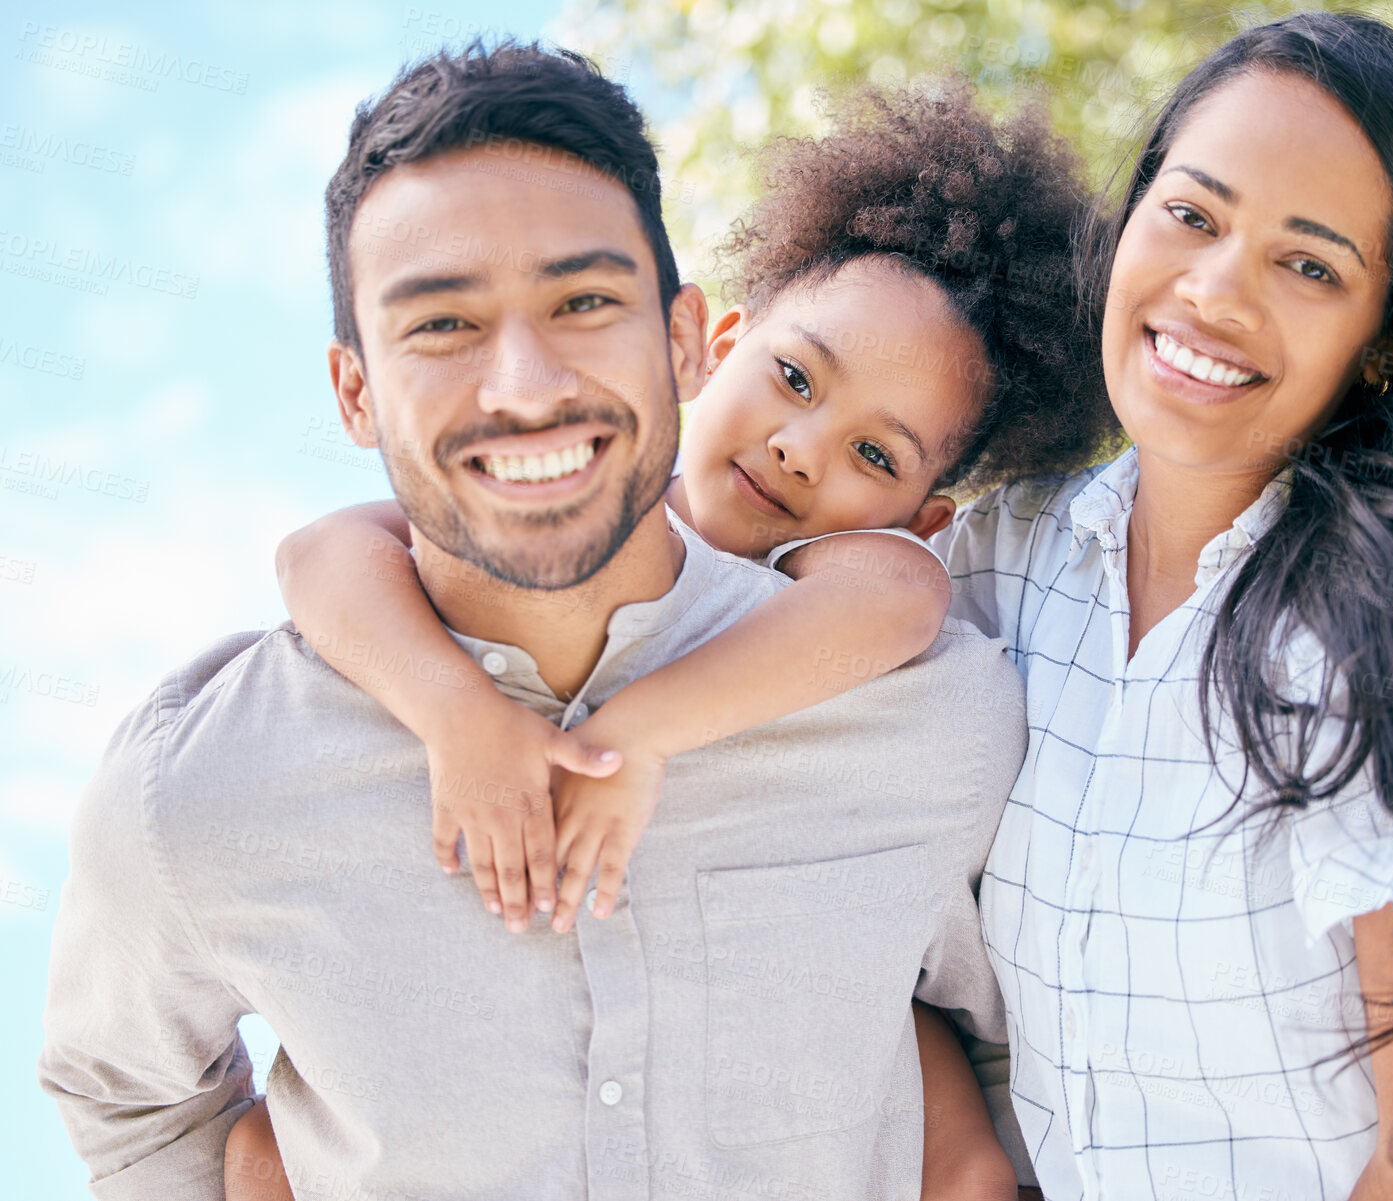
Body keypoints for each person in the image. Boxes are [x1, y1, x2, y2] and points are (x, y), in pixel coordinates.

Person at [37, 43, 1039, 1201]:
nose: (521, 384)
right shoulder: (206, 781)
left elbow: (1020, 1045)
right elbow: (128, 1105)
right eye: (442, 324)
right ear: (353, 390)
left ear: (675, 334)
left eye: (581, 302)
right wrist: (451, 708)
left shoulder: (923, 704)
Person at [923, 12, 1393, 1201]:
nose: (1213, 290)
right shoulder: (994, 557)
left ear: (1390, 338)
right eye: (1191, 215)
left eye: (1309, 264)